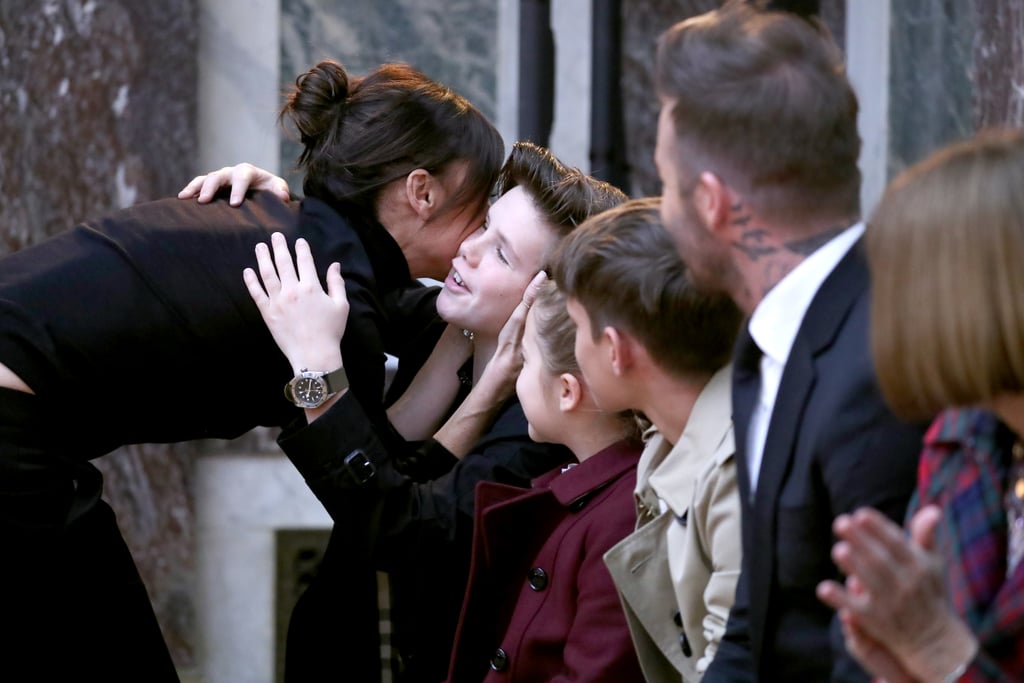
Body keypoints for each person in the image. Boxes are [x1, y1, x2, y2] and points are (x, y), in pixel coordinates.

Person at [0, 58, 503, 681]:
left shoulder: (303, 238)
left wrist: (471, 330)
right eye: (482, 211)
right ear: (422, 192)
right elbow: (381, 489)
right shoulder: (328, 292)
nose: (480, 236)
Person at [237, 141, 628, 681]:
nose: (468, 248)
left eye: (501, 253)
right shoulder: (456, 321)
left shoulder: (543, 432)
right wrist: (270, 208)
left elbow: (405, 532)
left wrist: (316, 372)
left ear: (547, 302)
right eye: (484, 225)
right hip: (329, 637)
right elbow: (354, 272)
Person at [652, 3, 926, 681]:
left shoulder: (879, 368)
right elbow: (757, 621)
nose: (659, 207)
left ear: (714, 201)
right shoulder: (770, 339)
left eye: (663, 182)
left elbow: (873, 658)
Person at [816, 129, 1024, 682]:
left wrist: (933, 647)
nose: (880, 313)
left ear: (977, 295)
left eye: (901, 282)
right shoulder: (966, 439)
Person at [541, 197, 743, 682]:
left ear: (615, 351)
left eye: (578, 329)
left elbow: (730, 664)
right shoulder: (668, 442)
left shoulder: (736, 476)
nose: (573, 348)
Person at [445, 278, 646, 682]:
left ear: (567, 391)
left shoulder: (620, 519)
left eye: (525, 360)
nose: (516, 376)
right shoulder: (589, 488)